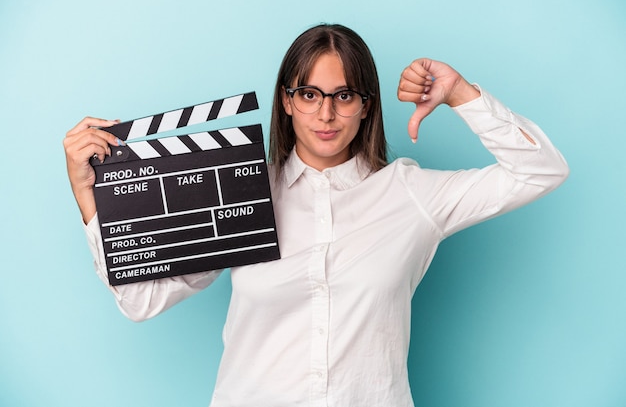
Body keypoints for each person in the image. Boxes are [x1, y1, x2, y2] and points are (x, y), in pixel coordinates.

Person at [63, 24, 569, 407]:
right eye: (309, 95)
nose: (325, 115)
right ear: (287, 101)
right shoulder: (240, 195)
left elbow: (541, 170)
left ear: (366, 106)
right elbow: (141, 301)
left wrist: (460, 92)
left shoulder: (411, 195)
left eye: (343, 96)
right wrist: (89, 199)